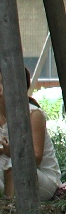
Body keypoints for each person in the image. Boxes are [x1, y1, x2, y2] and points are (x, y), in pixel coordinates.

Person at [0, 68, 61, 201]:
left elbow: (36, 158)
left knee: (16, 164)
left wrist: (12, 151)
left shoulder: (33, 115)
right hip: (5, 170)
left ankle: (12, 212)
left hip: (41, 177)